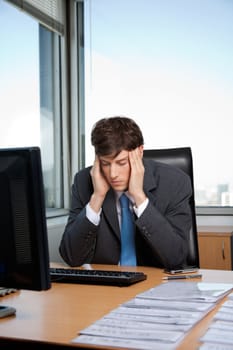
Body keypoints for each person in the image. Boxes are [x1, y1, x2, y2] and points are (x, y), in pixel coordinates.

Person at [59, 116, 192, 269]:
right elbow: (71, 257)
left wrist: (139, 198)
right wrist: (97, 197)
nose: (113, 173)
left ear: (140, 152)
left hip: (156, 283)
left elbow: (175, 257)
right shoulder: (84, 181)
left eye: (121, 163)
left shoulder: (175, 182)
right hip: (107, 286)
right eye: (105, 163)